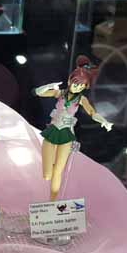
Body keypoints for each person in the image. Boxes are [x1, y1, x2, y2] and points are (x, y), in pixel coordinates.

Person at [34, 56, 112, 200]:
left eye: (82, 86)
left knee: (58, 171)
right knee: (47, 174)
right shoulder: (60, 93)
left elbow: (92, 113)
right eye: (77, 84)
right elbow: (37, 92)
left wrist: (104, 122)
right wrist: (50, 86)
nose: (78, 88)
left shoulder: (81, 99)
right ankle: (46, 193)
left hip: (66, 134)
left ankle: (52, 201)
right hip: (52, 131)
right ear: (70, 81)